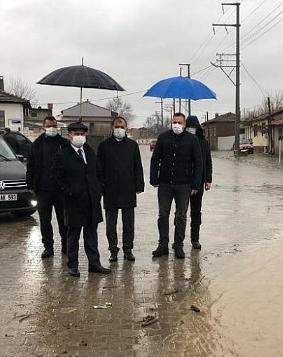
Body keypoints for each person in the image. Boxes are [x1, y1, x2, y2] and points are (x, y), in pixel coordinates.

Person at [52, 122, 111, 276]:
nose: (79, 137)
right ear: (69, 135)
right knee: (73, 235)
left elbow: (98, 172)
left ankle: (94, 264)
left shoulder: (89, 151)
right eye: (76, 134)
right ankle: (72, 265)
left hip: (91, 200)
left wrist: (98, 189)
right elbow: (57, 178)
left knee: (91, 235)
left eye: (82, 134)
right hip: (74, 202)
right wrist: (69, 191)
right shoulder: (63, 154)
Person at [149, 112, 202, 259]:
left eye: (179, 122)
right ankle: (163, 245)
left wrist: (196, 184)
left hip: (184, 184)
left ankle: (178, 245)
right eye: (174, 122)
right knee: (163, 214)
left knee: (181, 216)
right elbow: (155, 159)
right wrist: (154, 178)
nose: (176, 125)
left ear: (185, 124)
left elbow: (198, 163)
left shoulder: (192, 140)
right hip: (165, 183)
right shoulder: (163, 137)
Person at [97, 116, 145, 262]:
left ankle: (128, 249)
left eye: (122, 127)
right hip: (110, 189)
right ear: (112, 127)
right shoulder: (104, 146)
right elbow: (99, 168)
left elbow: (138, 166)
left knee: (128, 223)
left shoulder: (132, 145)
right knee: (111, 224)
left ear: (126, 128)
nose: (119, 129)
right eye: (117, 126)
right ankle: (113, 250)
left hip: (128, 188)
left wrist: (139, 185)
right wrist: (100, 186)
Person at [26, 116, 69, 259]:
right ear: (44, 127)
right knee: (45, 220)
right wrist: (30, 184)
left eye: (54, 126)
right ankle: (48, 247)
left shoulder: (64, 144)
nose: (52, 128)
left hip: (61, 190)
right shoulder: (37, 144)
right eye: (49, 126)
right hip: (43, 189)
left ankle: (66, 245)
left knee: (63, 220)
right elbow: (30, 165)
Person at [184, 116, 212, 250]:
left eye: (193, 127)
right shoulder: (182, 140)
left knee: (196, 211)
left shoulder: (203, 142)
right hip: (182, 181)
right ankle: (178, 240)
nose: (191, 129)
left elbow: (207, 161)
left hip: (199, 181)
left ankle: (195, 239)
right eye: (189, 126)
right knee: (181, 212)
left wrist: (208, 180)